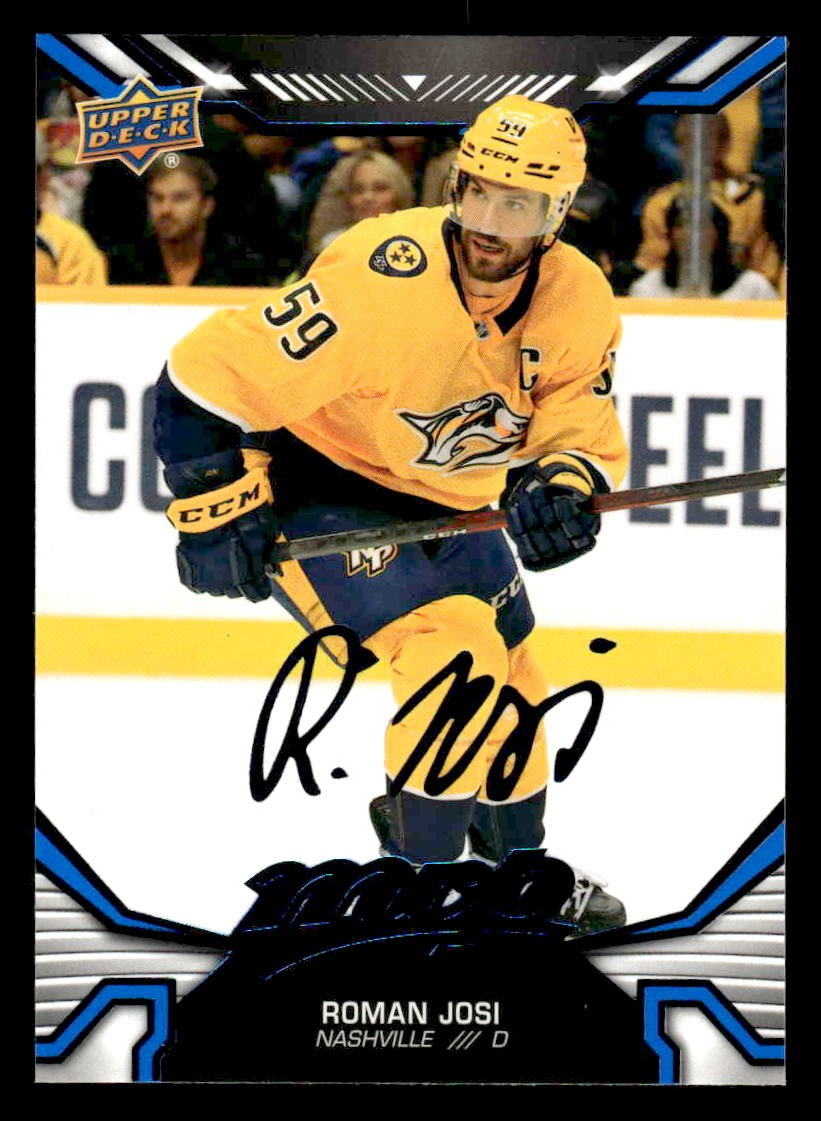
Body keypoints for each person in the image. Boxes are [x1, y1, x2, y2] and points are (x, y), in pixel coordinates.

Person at [153, 94, 629, 933]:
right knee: (456, 653)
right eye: (476, 193)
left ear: (556, 214)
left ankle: (516, 871)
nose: (488, 226)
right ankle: (411, 890)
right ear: (453, 185)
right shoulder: (381, 276)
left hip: (447, 498)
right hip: (317, 481)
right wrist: (210, 501)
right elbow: (198, 377)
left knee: (517, 679)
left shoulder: (578, 297)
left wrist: (559, 484)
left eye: (517, 207)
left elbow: (574, 422)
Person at [107, 154, 272, 287]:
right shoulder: (122, 264)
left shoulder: (242, 267)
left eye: (180, 198)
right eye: (157, 198)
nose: (165, 209)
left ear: (206, 206)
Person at [629, 197, 779, 299]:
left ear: (720, 233)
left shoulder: (753, 288)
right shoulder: (648, 287)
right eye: (681, 225)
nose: (692, 233)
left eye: (703, 225)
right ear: (669, 234)